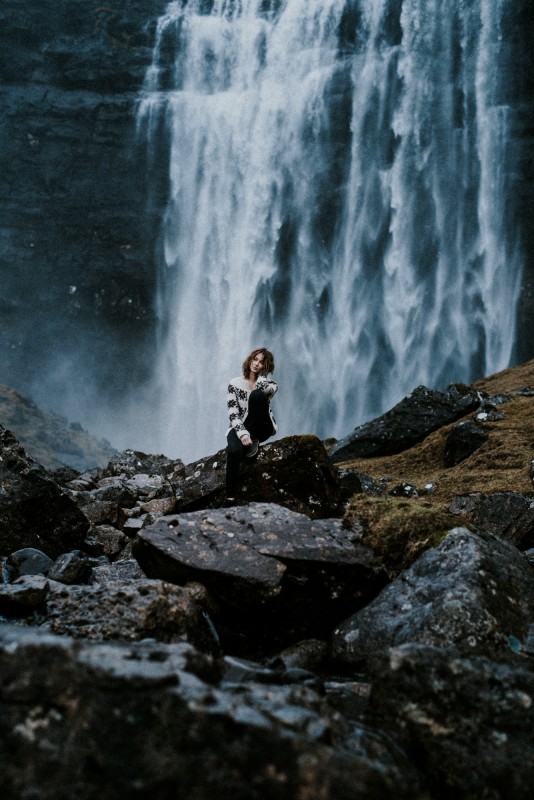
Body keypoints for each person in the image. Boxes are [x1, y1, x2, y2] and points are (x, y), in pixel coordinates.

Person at [225, 347, 277, 503]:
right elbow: (233, 413)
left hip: (262, 428)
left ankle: (254, 438)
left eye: (262, 362)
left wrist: (261, 377)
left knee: (257, 396)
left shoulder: (270, 385)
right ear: (249, 360)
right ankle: (230, 498)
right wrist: (243, 433)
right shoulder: (234, 384)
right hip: (240, 427)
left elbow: (268, 389)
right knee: (234, 451)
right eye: (255, 359)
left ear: (265, 367)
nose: (256, 364)